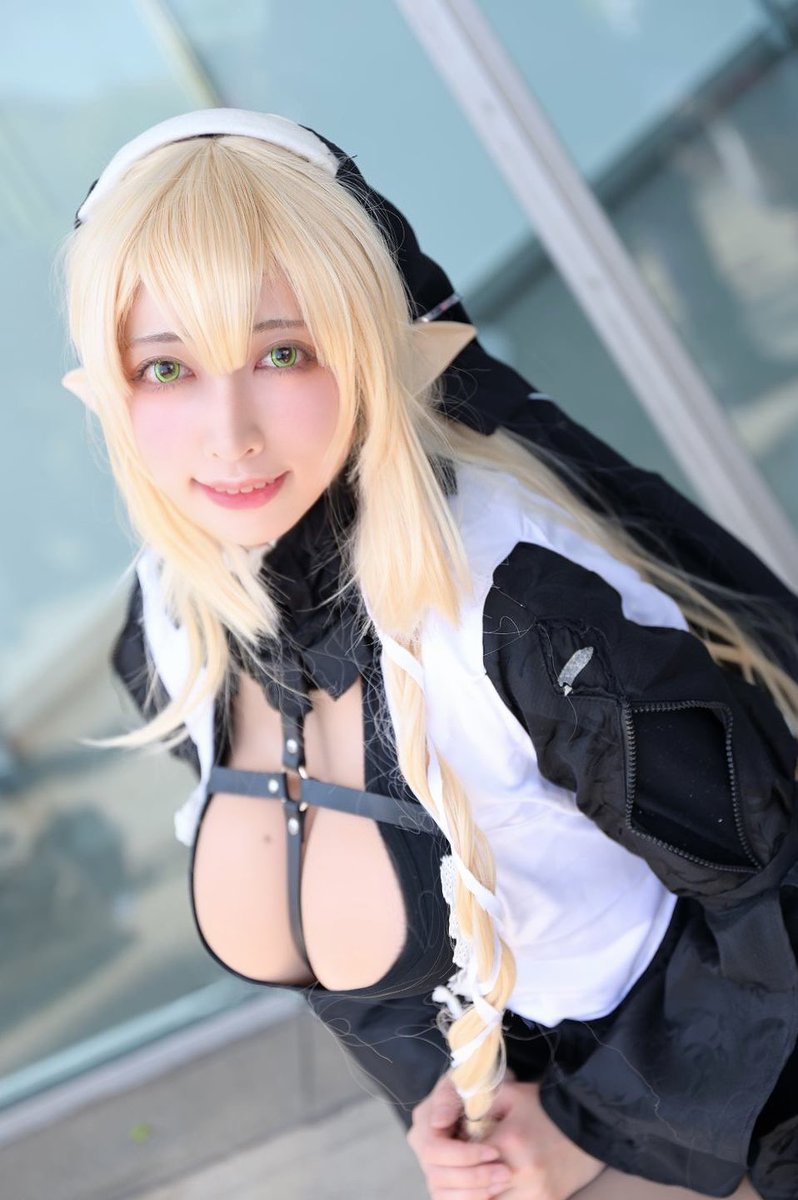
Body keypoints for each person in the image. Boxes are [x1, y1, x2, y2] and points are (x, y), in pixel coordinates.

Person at [58, 109, 798, 1200]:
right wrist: (443, 1116)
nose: (230, 434)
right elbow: (352, 940)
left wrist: (587, 1133)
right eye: (165, 368)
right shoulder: (172, 621)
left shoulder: (524, 610)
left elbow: (774, 901)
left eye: (282, 352)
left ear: (367, 343)